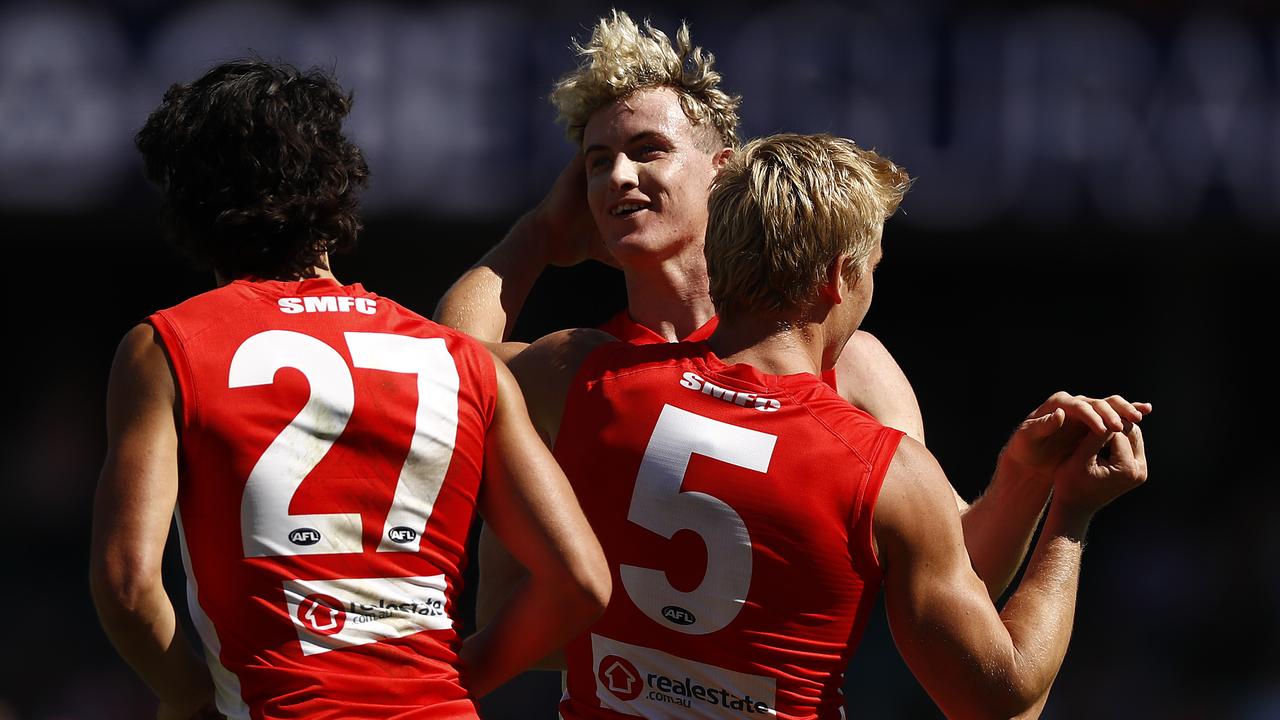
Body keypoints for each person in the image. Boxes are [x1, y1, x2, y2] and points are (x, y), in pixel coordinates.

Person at [504, 132, 1150, 718]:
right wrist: (1068, 515)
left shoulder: (588, 378)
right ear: (841, 278)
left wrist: (536, 235)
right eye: (872, 266)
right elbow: (998, 701)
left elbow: (444, 361)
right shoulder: (885, 464)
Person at [436, 11, 1047, 599]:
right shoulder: (583, 368)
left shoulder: (849, 361)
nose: (618, 176)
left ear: (722, 171)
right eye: (597, 164)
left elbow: (959, 572)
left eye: (648, 149)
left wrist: (1029, 481)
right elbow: (450, 369)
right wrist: (540, 231)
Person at [88, 59, 609, 720]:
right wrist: (450, 685)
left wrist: (190, 695)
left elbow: (127, 585)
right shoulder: (458, 360)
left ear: (191, 211)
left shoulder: (168, 347)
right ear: (338, 190)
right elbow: (580, 581)